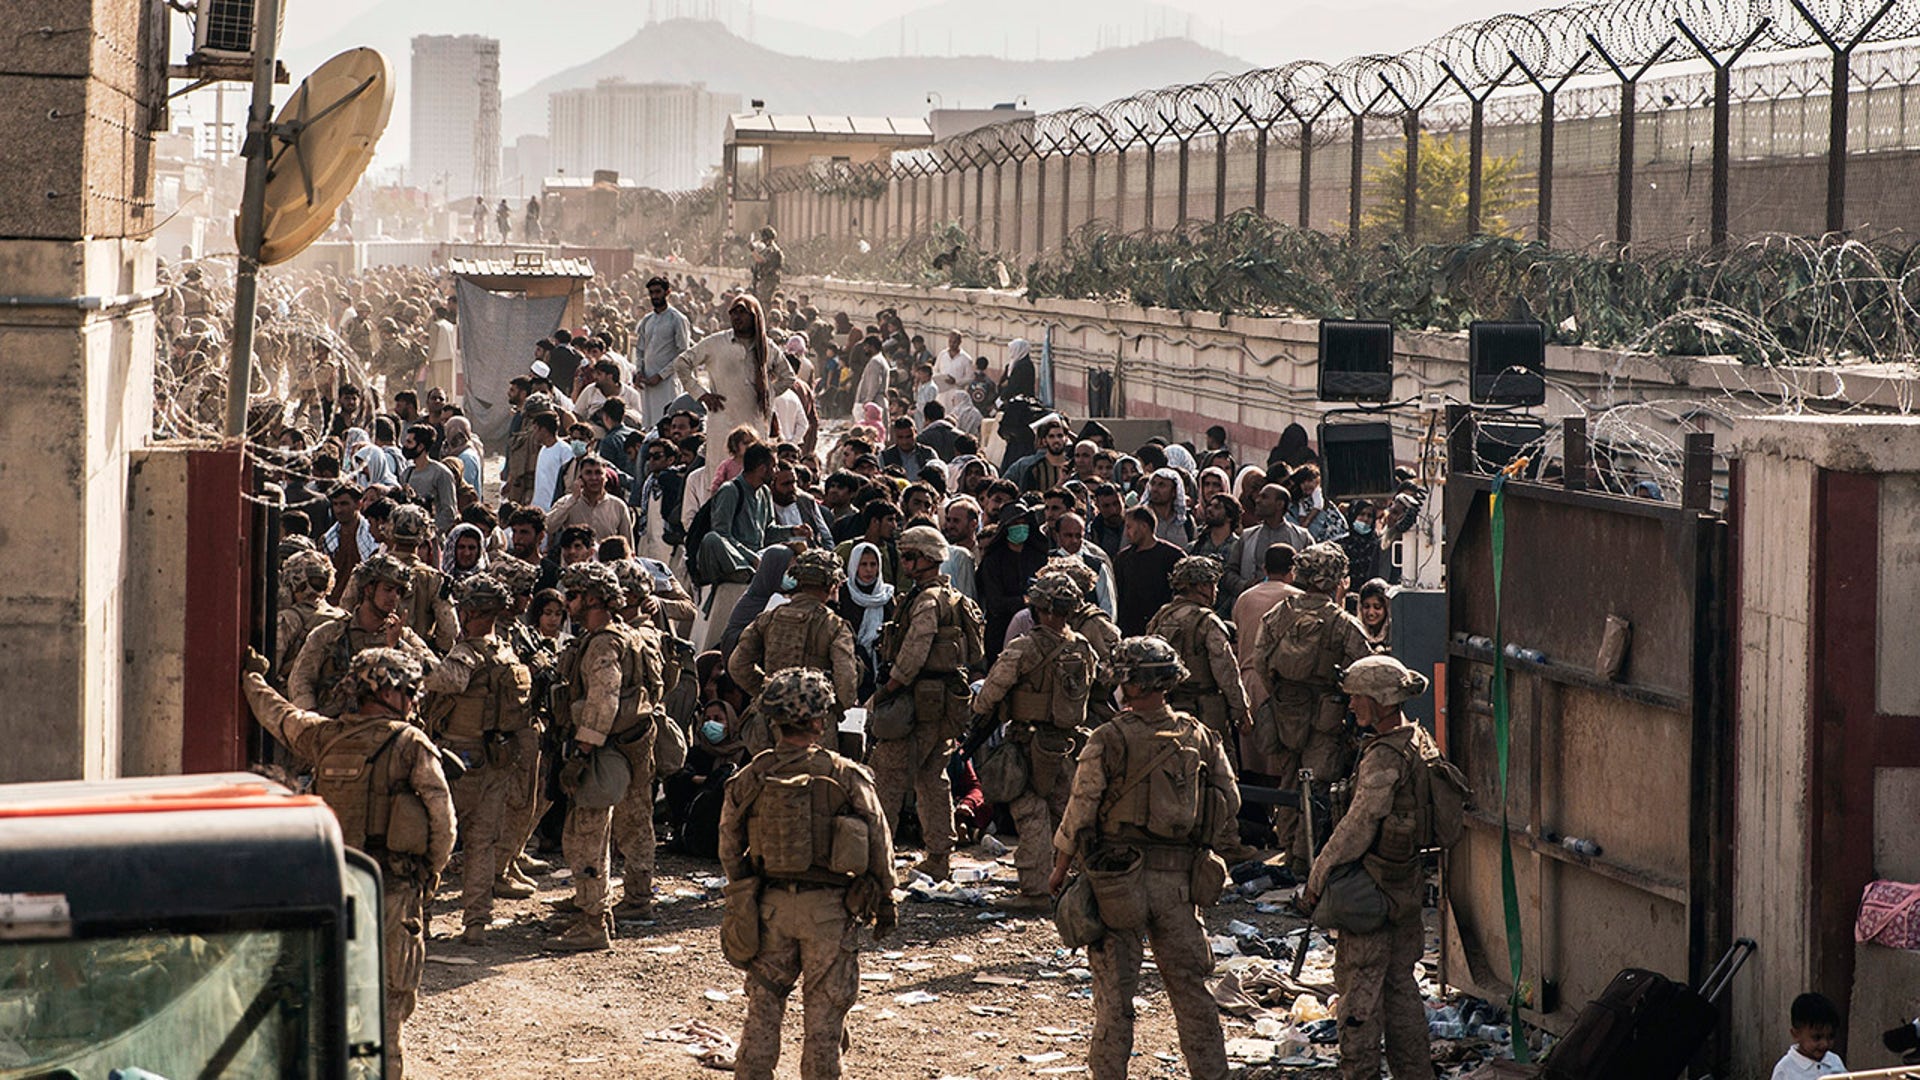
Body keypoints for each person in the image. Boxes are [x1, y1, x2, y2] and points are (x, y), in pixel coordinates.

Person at [241, 647, 455, 1080]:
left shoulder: (323, 736)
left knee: (332, 998)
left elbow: (279, 716)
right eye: (408, 691)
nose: (414, 699)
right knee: (390, 1007)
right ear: (384, 691)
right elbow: (443, 820)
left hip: (333, 888)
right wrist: (430, 874)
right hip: (393, 890)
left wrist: (252, 681)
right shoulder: (410, 744)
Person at [1047, 636, 1236, 1080]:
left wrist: (1059, 868)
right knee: (1192, 991)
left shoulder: (1108, 738)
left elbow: (1081, 809)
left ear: (1126, 682)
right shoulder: (1199, 735)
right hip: (1178, 883)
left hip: (1117, 882)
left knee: (1115, 998)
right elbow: (1229, 800)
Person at [718, 668, 896, 1080]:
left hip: (770, 908)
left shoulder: (754, 775)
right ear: (820, 720)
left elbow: (728, 841)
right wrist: (886, 898)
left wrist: (745, 890)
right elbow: (878, 838)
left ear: (773, 720)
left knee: (763, 1011)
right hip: (829, 913)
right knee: (824, 1020)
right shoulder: (844, 773)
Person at [1300, 655, 1440, 1080]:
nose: (1352, 705)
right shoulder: (1419, 740)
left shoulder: (1384, 756)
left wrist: (1317, 875)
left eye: (1358, 697)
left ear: (1379, 700)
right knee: (1401, 992)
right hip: (1405, 886)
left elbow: (1359, 826)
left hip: (1375, 891)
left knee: (1359, 996)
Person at [548, 562, 667, 949]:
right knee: (634, 820)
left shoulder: (602, 643)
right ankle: (631, 897)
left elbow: (603, 699)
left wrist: (581, 753)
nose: (568, 603)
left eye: (574, 595)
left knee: (587, 832)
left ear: (593, 598)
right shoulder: (627, 636)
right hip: (633, 742)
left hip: (605, 749)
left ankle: (593, 920)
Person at [967, 572, 1098, 904]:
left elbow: (989, 695)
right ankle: (1077, 880)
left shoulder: (1024, 648)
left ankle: (1037, 889)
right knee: (1066, 812)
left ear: (1042, 607)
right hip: (1066, 744)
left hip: (1028, 743)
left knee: (1030, 813)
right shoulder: (1082, 647)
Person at [417, 575, 533, 946]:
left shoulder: (468, 654)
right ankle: (476, 924)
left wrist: (408, 645)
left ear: (468, 612)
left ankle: (424, 921)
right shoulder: (507, 652)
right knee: (483, 844)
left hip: (459, 758)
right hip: (497, 759)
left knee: (438, 840)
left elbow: (440, 680)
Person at [871, 525, 984, 882]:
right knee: (932, 777)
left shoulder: (927, 601)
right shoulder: (951, 597)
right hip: (942, 702)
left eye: (909, 556)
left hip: (918, 699)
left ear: (927, 559)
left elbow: (914, 652)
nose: (903, 562)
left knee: (888, 775)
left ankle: (880, 857)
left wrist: (886, 690)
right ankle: (939, 855)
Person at [1250, 542, 1371, 873]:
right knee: (1318, 787)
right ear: (1335, 580)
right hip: (1326, 716)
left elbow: (1260, 661)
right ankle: (1307, 862)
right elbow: (1364, 667)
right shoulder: (1342, 622)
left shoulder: (1279, 614)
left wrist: (1282, 691)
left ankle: (1289, 851)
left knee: (1289, 781)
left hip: (1284, 711)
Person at [728, 549, 859, 753]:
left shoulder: (768, 617)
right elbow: (847, 683)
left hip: (770, 721)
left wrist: (769, 692)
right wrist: (831, 708)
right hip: (814, 726)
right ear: (831, 584)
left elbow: (737, 665)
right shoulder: (835, 625)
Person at [287, 553, 437, 715]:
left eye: (399, 591)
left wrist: (397, 645)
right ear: (369, 589)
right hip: (338, 729)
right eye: (388, 589)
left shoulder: (403, 636)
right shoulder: (330, 633)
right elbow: (300, 679)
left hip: (387, 732)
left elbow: (438, 677)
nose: (395, 597)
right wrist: (314, 718)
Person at [1146, 557, 1252, 772]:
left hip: (1169, 708)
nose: (1215, 591)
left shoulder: (1161, 617)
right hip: (1206, 710)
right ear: (1202, 586)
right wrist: (1241, 710)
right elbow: (1226, 670)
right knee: (1217, 771)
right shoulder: (1207, 621)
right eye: (1213, 584)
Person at [669, 293, 799, 444]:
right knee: (721, 465)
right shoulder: (716, 343)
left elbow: (788, 377)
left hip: (754, 422)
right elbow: (682, 363)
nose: (737, 317)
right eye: (733, 312)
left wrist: (768, 392)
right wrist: (702, 395)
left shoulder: (767, 347)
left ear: (754, 316)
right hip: (722, 423)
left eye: (742, 312)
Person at [976, 502, 1049, 661]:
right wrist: (1022, 601)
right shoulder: (993, 561)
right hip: (1001, 632)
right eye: (1015, 523)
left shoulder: (1038, 557)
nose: (1020, 527)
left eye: (1024, 523)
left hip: (1037, 633)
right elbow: (995, 602)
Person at [385, 505, 459, 654]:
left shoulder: (369, 569)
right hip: (418, 658)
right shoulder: (434, 579)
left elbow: (347, 610)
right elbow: (450, 629)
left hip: (373, 656)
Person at [836, 541, 896, 700]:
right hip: (849, 659)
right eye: (863, 564)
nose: (869, 570)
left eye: (873, 564)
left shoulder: (886, 595)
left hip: (880, 662)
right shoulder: (843, 593)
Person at [635, 277, 693, 429]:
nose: (654, 296)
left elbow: (683, 353)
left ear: (667, 292)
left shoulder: (677, 319)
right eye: (651, 293)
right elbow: (640, 349)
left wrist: (661, 375)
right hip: (647, 381)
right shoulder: (647, 320)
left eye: (658, 292)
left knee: (667, 422)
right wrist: (638, 372)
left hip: (666, 382)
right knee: (648, 424)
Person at [1113, 506, 1181, 636]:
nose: (1127, 533)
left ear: (1144, 527)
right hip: (1130, 631)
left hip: (1163, 629)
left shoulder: (1172, 556)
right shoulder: (1123, 559)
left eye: (1129, 527)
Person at [278, 549, 346, 672]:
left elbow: (271, 670)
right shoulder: (342, 617)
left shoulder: (287, 620)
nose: (311, 591)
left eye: (317, 584)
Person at [1236, 484, 1313, 587]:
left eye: (1264, 497)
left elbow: (1313, 572)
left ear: (1280, 504)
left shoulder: (1302, 537)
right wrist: (1245, 585)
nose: (1257, 500)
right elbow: (1230, 572)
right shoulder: (1246, 537)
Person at [547, 456, 634, 545]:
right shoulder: (567, 502)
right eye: (588, 473)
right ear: (580, 478)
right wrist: (572, 500)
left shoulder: (618, 506)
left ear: (606, 478)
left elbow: (628, 544)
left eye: (598, 473)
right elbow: (549, 527)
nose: (594, 478)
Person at [1771, 993, 1846, 1079]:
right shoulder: (1785, 1070)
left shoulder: (1834, 1061)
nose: (1825, 1044)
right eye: (1817, 1037)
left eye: (1831, 1036)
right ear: (1796, 1034)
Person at [748, 226, 783, 309]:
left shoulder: (774, 250)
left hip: (769, 280)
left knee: (765, 303)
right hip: (764, 279)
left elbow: (762, 261)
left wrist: (752, 250)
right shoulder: (767, 249)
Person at [1357, 578, 1393, 653]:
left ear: (1387, 608)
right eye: (1366, 606)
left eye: (1377, 607)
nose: (1371, 613)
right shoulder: (1355, 633)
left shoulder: (1396, 636)